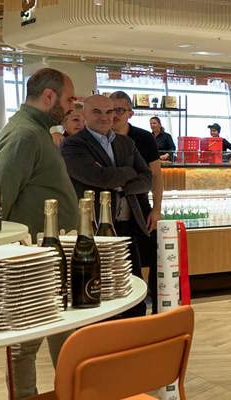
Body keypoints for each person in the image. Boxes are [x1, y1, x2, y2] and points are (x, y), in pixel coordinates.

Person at [0, 67, 80, 400]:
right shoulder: (25, 134)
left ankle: (73, 392)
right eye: (69, 98)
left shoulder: (35, 130)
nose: (72, 106)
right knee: (25, 343)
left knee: (65, 332)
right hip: (33, 262)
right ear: (49, 97)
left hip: (48, 257)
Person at [61, 94, 154, 315]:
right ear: (84, 115)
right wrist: (127, 174)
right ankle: (106, 336)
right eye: (97, 112)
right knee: (100, 285)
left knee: (132, 282)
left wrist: (119, 182)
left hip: (128, 225)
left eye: (109, 112)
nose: (105, 117)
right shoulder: (73, 145)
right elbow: (99, 178)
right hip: (96, 228)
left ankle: (136, 329)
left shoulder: (126, 142)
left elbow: (147, 178)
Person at [109, 90, 163, 316]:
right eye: (110, 110)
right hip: (111, 214)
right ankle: (129, 310)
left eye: (119, 110)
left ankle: (157, 311)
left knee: (152, 258)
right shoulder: (100, 138)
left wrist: (157, 209)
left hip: (141, 210)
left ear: (130, 113)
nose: (114, 116)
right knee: (123, 264)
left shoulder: (143, 138)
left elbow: (156, 175)